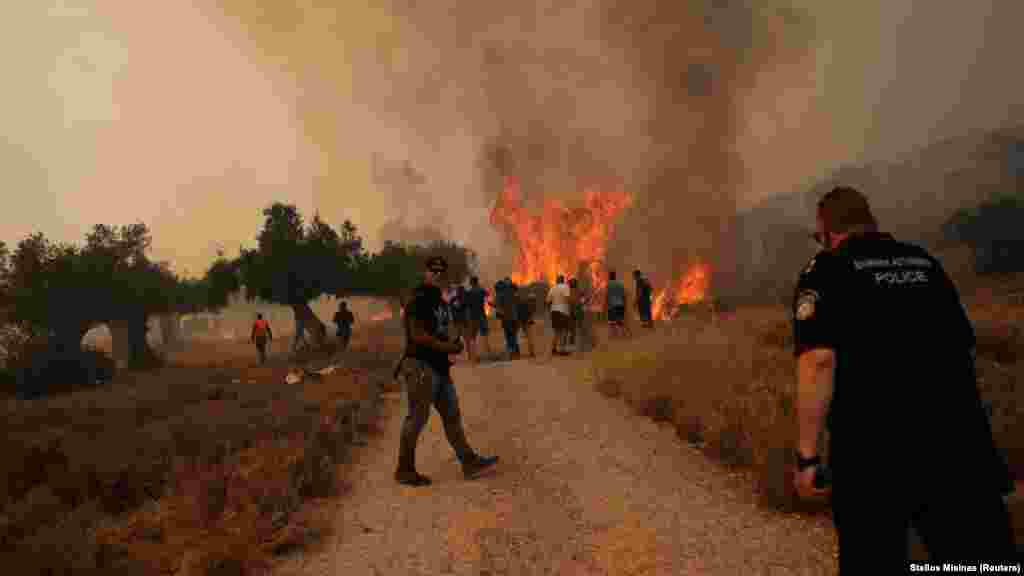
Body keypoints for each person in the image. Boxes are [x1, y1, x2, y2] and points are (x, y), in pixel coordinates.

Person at [791, 186, 1016, 572]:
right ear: (871, 223)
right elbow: (963, 346)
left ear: (828, 232)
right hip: (959, 447)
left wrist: (807, 457)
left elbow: (818, 362)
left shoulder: (825, 270)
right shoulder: (925, 263)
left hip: (875, 456)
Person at [394, 256, 499, 486]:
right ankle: (404, 469)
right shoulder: (418, 299)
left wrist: (453, 340)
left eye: (442, 271)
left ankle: (469, 462)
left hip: (439, 368)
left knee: (452, 417)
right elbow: (416, 334)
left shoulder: (440, 302)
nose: (438, 274)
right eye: (434, 270)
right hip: (420, 366)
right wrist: (446, 346)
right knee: (417, 418)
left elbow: (442, 330)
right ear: (426, 272)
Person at [464, 276, 492, 363]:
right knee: (485, 334)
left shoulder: (469, 292)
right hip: (481, 315)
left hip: (473, 317)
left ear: (471, 283)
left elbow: (466, 305)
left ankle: (474, 357)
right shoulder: (481, 291)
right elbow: (488, 294)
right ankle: (488, 355)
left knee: (472, 337)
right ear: (477, 282)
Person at [495, 278, 521, 359]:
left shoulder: (501, 294)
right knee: (513, 335)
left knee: (509, 336)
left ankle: (511, 352)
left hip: (507, 318)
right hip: (514, 317)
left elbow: (497, 306)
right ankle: (516, 353)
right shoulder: (514, 293)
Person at [546, 275, 572, 356]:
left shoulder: (552, 288)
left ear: (557, 281)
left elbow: (547, 301)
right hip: (563, 311)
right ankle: (562, 349)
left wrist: (550, 309)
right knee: (564, 330)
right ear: (563, 280)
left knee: (556, 331)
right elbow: (567, 298)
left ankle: (554, 348)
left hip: (554, 311)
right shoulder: (565, 287)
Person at [606, 270, 629, 338]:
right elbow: (624, 295)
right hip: (620, 304)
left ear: (610, 276)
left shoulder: (609, 284)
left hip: (612, 305)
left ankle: (613, 334)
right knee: (620, 320)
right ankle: (622, 334)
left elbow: (607, 295)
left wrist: (605, 305)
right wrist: (625, 304)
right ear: (615, 276)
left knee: (612, 321)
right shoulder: (620, 284)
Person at [517, 289, 537, 357]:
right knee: (530, 337)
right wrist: (530, 320)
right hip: (526, 322)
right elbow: (531, 314)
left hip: (521, 321)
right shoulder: (531, 304)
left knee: (520, 337)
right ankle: (531, 352)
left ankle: (517, 352)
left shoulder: (523, 302)